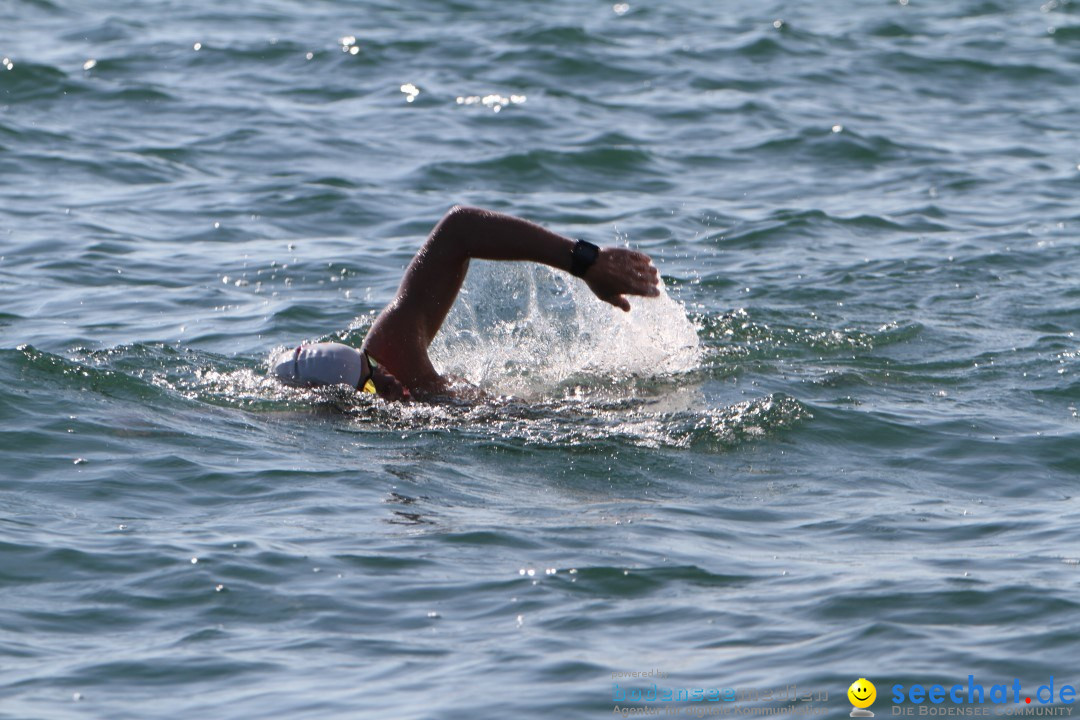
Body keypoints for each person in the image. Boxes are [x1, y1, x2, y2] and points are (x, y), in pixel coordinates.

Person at [270, 205, 661, 400]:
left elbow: (460, 228)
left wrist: (584, 262)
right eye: (369, 386)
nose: (386, 381)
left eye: (370, 365)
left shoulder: (393, 349)